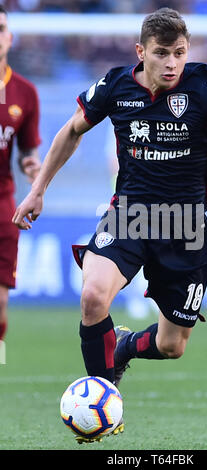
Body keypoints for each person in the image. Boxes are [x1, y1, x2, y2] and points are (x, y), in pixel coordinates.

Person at [13, 8, 207, 440]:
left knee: (172, 346)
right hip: (129, 216)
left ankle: (125, 345)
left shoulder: (202, 85)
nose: (172, 64)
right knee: (94, 297)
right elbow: (72, 130)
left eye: (180, 53)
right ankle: (104, 410)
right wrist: (38, 188)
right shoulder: (115, 86)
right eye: (162, 54)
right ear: (141, 52)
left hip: (185, 227)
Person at [0, 5, 41, 342]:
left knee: (0, 303)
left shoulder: (25, 93)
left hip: (3, 204)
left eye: (0, 28)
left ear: (9, 37)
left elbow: (27, 150)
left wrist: (33, 167)